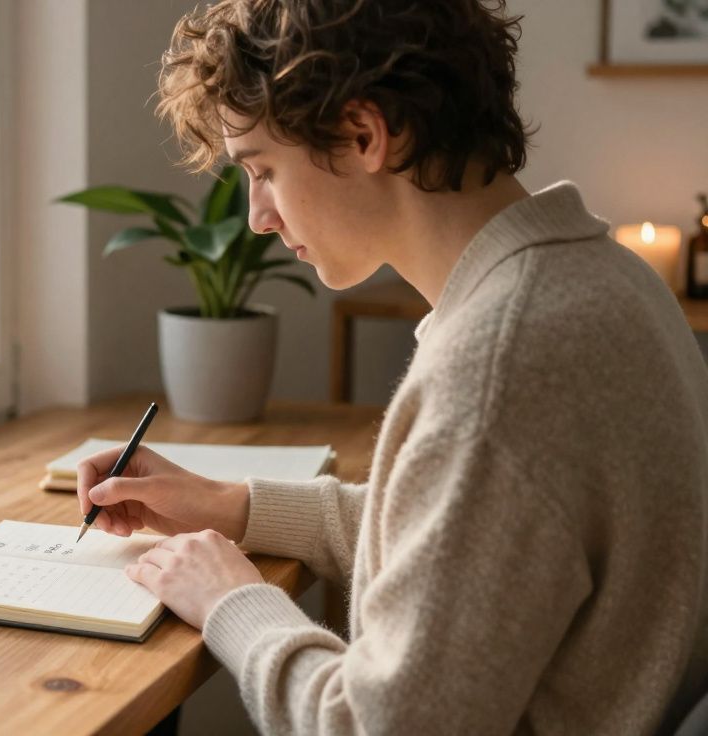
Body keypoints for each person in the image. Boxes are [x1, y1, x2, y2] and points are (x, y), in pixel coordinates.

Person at [75, 1, 708, 733]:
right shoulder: (603, 282)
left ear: (363, 133)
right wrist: (232, 505)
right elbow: (463, 548)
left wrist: (230, 603)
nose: (258, 217)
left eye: (264, 171)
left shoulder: (501, 369)